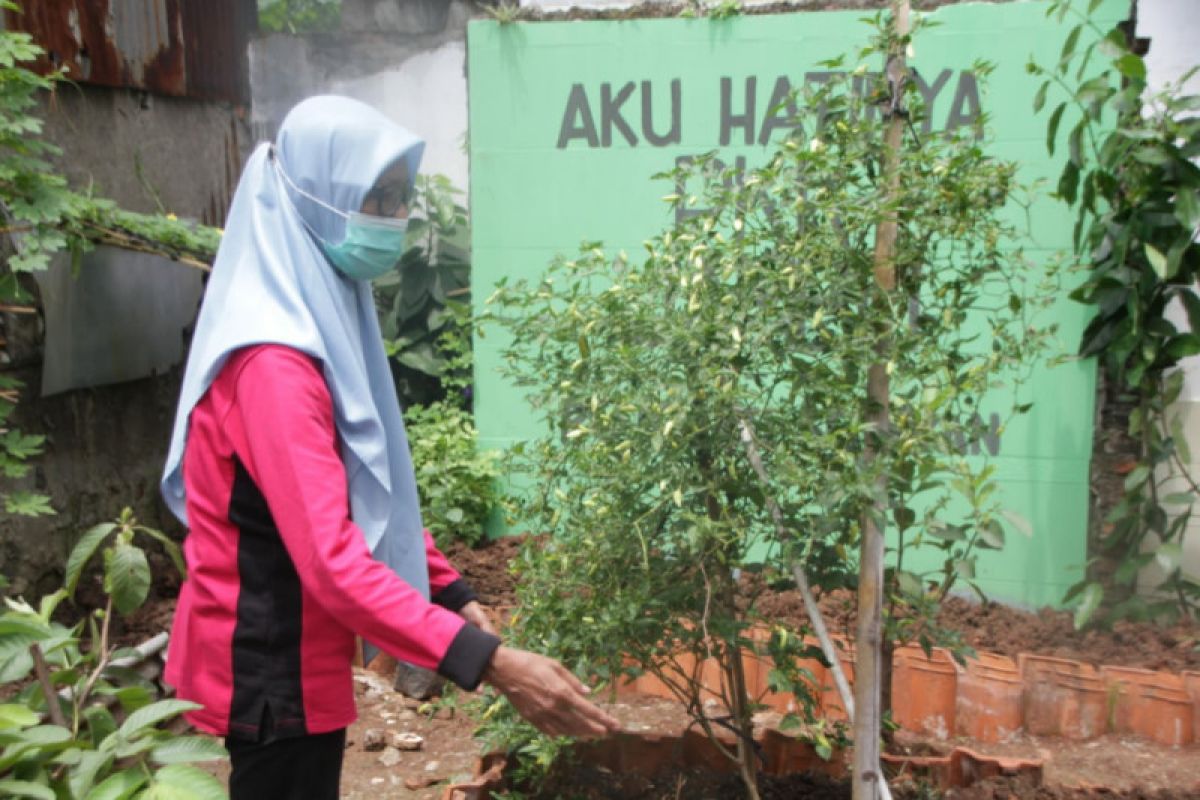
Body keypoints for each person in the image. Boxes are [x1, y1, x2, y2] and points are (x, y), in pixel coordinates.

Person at [160, 96, 620, 799]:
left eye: (400, 197)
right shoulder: (274, 367)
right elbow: (332, 558)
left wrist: (448, 588)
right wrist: (491, 662)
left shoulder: (321, 316)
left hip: (296, 652)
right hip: (267, 664)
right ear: (314, 196)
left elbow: (368, 490)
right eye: (374, 196)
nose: (391, 218)